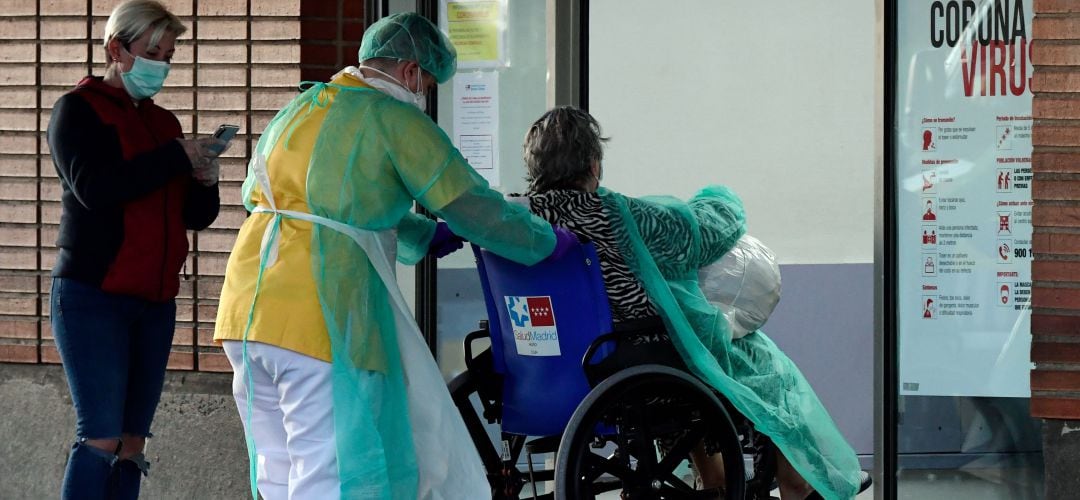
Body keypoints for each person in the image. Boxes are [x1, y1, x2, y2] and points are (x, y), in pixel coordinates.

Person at [213, 12, 574, 499]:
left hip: (246, 309)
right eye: (426, 81)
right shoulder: (392, 118)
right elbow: (470, 203)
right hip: (319, 317)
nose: (424, 93)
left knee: (276, 470)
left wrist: (423, 236)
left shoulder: (302, 108)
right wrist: (544, 242)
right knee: (328, 470)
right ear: (409, 72)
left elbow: (320, 204)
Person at [516, 106, 869, 499]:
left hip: (546, 366)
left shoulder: (518, 220)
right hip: (628, 360)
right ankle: (798, 482)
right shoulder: (614, 214)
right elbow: (701, 236)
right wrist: (722, 201)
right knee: (760, 362)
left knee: (679, 354)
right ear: (594, 164)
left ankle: (713, 477)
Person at [45, 1, 224, 498]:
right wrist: (173, 158)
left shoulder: (164, 122)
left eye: (168, 55)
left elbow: (195, 217)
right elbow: (94, 189)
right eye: (151, 52)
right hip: (92, 294)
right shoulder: (76, 111)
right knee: (99, 436)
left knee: (131, 441)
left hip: (154, 302)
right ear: (115, 49)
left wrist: (204, 180)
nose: (160, 65)